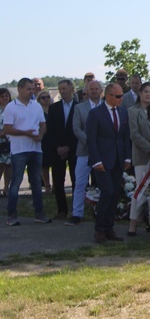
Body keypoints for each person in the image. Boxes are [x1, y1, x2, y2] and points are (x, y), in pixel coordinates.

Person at [86, 82, 132, 242]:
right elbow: (91, 140)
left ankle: (109, 228)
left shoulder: (123, 112)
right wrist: (96, 160)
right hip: (102, 161)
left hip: (118, 160)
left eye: (122, 96)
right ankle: (99, 229)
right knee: (107, 192)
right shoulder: (96, 114)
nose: (121, 99)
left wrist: (127, 157)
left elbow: (125, 137)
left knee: (115, 194)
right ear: (108, 96)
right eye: (118, 96)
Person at [4, 78, 50, 226]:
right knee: (16, 181)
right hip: (19, 150)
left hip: (35, 149)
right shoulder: (11, 107)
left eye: (32, 89)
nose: (31, 91)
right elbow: (7, 129)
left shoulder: (36, 106)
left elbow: (43, 124)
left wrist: (40, 135)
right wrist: (26, 133)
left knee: (36, 181)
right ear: (20, 89)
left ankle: (39, 213)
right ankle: (11, 215)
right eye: (28, 89)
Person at [127, 82, 150, 236]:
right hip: (143, 156)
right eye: (146, 91)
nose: (148, 94)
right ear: (140, 93)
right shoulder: (133, 111)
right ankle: (133, 222)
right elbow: (134, 134)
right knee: (141, 190)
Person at [67, 80, 103, 226]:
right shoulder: (79, 108)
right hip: (84, 150)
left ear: (101, 91)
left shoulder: (108, 106)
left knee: (104, 183)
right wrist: (90, 142)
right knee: (80, 183)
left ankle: (103, 212)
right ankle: (77, 214)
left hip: (103, 152)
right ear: (87, 91)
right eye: (91, 89)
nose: (94, 91)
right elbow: (76, 129)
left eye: (96, 88)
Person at [47, 79, 78, 218]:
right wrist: (58, 147)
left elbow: (79, 130)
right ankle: (62, 210)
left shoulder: (79, 107)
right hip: (57, 149)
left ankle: (76, 210)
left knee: (76, 179)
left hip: (74, 148)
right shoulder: (54, 108)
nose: (62, 91)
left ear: (71, 89)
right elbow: (50, 130)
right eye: (60, 89)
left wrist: (69, 147)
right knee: (58, 180)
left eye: (64, 88)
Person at [37, 90, 54, 193]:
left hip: (54, 139)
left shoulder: (54, 109)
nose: (46, 99)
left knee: (55, 164)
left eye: (47, 97)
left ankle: (56, 186)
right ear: (39, 100)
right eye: (43, 97)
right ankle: (47, 185)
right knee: (44, 164)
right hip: (43, 139)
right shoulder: (38, 111)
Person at [0, 88, 12, 198]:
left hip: (11, 141)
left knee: (9, 166)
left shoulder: (12, 109)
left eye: (6, 96)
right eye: (2, 96)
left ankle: (6, 188)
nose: (5, 98)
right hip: (0, 141)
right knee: (1, 166)